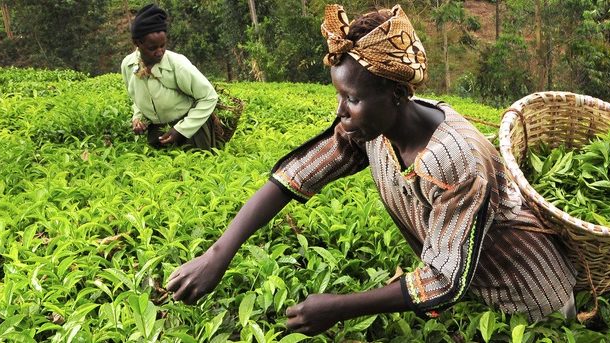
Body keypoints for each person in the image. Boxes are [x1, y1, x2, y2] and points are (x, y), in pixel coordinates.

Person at [165, 4, 577, 335]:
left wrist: (338, 307)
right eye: (340, 96)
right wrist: (218, 254)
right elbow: (299, 174)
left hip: (529, 298)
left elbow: (442, 282)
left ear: (396, 94)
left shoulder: (457, 161)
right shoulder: (371, 130)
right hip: (472, 289)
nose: (341, 112)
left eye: (352, 99)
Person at [121, 4, 221, 150]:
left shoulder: (177, 65)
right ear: (137, 43)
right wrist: (138, 118)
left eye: (163, 45)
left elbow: (209, 97)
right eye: (152, 48)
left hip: (191, 132)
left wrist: (181, 129)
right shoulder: (128, 66)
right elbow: (136, 98)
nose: (159, 52)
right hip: (158, 132)